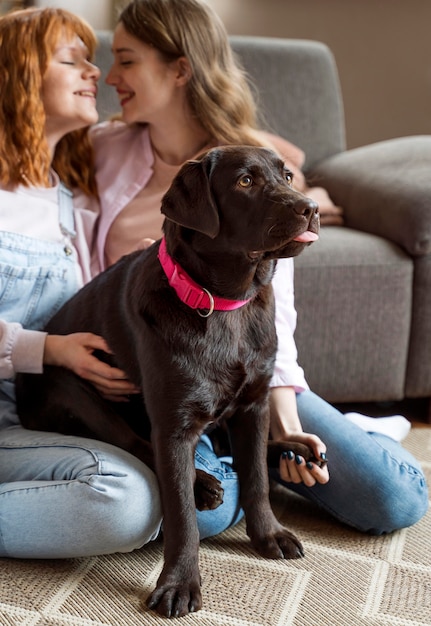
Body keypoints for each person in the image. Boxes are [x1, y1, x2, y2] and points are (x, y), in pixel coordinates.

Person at [91, 0, 428, 535]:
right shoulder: (102, 150)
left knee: (395, 498)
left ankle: (284, 451)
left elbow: (276, 309)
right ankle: (239, 470)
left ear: (180, 68)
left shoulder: (258, 165)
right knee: (213, 510)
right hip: (168, 372)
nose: (111, 78)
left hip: (251, 372)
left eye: (126, 61)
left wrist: (283, 421)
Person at [0, 6, 242, 560]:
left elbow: (243, 140)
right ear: (15, 78)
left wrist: (303, 193)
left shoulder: (74, 197)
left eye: (97, 59)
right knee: (125, 502)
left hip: (45, 417)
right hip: (18, 415)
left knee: (181, 500)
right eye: (73, 60)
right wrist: (50, 350)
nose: (97, 74)